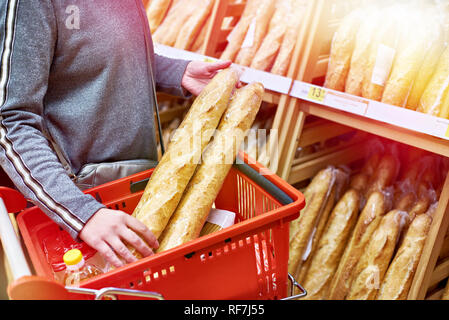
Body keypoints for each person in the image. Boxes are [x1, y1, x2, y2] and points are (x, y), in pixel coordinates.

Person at [0, 0, 236, 269]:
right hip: (79, 210)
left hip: (131, 189)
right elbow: (10, 122)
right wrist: (82, 213)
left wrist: (176, 72)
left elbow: (99, 54)